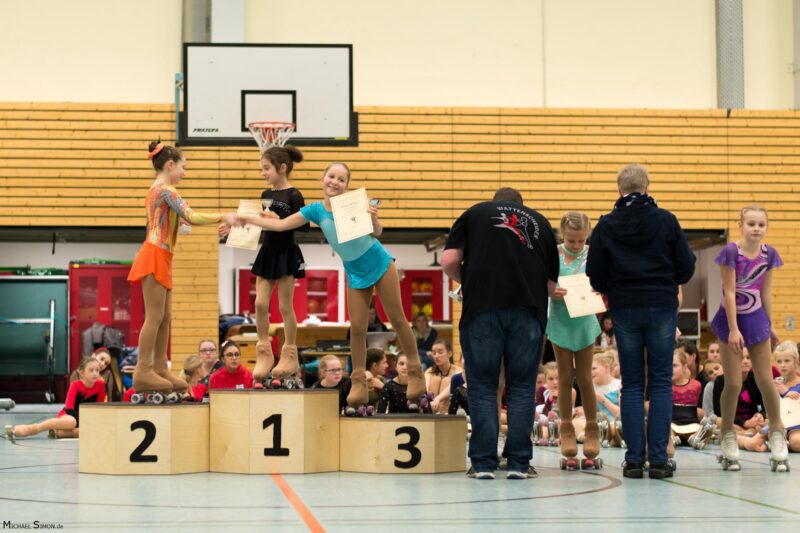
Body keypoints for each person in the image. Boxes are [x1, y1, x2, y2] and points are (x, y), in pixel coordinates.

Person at [232, 162, 426, 410]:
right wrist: (245, 218)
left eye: (341, 179)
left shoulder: (353, 205)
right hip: (354, 270)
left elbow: (377, 232)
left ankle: (415, 370)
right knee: (357, 329)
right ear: (322, 179)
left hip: (378, 261)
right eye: (331, 176)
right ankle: (358, 382)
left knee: (397, 319)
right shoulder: (315, 210)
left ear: (347, 185)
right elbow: (281, 225)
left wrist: (374, 219)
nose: (335, 182)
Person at [586, 164, 696, 479]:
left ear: (618, 190)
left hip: (625, 307)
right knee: (660, 382)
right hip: (661, 304)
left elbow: (595, 274)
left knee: (632, 383)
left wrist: (615, 288)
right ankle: (659, 460)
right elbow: (686, 267)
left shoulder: (607, 224)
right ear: (647, 187)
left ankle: (634, 460)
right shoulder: (666, 220)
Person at [441, 186, 558, 480]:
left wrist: (469, 281)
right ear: (521, 205)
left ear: (494, 203)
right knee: (521, 388)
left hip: (482, 310)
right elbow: (550, 286)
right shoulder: (540, 223)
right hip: (527, 313)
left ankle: (483, 463)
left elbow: (449, 261)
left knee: (482, 387)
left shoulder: (473, 214)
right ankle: (519, 463)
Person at [127, 141, 228, 399]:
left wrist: (178, 220)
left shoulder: (159, 191)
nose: (184, 172)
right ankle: (143, 370)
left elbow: (178, 221)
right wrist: (224, 215)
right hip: (155, 253)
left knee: (165, 316)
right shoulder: (166, 190)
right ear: (170, 164)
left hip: (163, 255)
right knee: (154, 316)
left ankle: (160, 367)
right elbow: (192, 216)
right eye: (183, 167)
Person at [710, 205, 789, 472]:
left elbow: (765, 291)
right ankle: (727, 434)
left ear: (766, 227)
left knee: (766, 380)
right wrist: (733, 329)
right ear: (741, 225)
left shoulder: (769, 254)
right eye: (751, 224)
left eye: (761, 224)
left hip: (756, 319)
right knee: (733, 383)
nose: (756, 228)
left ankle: (777, 432)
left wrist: (770, 323)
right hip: (731, 319)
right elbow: (729, 292)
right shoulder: (731, 252)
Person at [222, 146, 307, 385]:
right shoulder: (266, 193)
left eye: (266, 168)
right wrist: (234, 227)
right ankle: (264, 351)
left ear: (282, 168)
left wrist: (281, 219)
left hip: (287, 252)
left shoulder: (294, 194)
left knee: (285, 306)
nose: (263, 173)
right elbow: (259, 222)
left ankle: (290, 352)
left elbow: (304, 226)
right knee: (260, 303)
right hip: (268, 251)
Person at [546, 211, 603, 469]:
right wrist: (551, 290)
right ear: (562, 235)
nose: (577, 245)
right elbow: (543, 281)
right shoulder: (553, 254)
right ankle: (566, 428)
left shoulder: (593, 254)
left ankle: (592, 428)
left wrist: (599, 288)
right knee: (564, 375)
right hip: (560, 320)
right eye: (571, 240)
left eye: (581, 240)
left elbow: (603, 279)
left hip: (584, 320)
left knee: (585, 376)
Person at [5, 357, 105, 441]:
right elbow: (69, 408)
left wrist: (91, 420)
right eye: (91, 370)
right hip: (69, 415)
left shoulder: (100, 385)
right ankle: (34, 428)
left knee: (98, 429)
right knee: (72, 422)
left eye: (97, 370)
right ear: (82, 373)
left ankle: (59, 433)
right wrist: (83, 420)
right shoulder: (75, 385)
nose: (95, 373)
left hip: (87, 418)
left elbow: (99, 407)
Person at [773, 342, 800, 452]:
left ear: (796, 361)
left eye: (787, 361)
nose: (783, 365)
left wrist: (786, 392)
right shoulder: (774, 384)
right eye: (779, 361)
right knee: (755, 441)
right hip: (777, 426)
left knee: (797, 442)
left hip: (796, 426)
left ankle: (785, 444)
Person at [671, 350, 702, 445]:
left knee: (704, 427)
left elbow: (699, 408)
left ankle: (693, 439)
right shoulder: (664, 387)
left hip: (691, 424)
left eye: (674, 365)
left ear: (684, 367)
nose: (670, 369)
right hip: (671, 424)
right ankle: (672, 438)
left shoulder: (696, 385)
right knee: (664, 426)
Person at [425, 339, 461, 414]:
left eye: (440, 352)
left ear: (449, 353)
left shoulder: (458, 371)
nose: (436, 356)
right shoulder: (429, 372)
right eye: (434, 353)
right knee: (435, 379)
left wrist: (438, 399)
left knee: (447, 380)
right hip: (431, 409)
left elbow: (451, 386)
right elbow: (426, 388)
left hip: (448, 411)